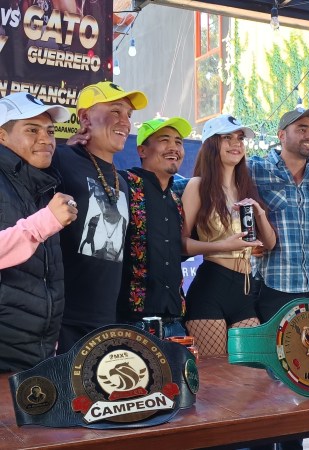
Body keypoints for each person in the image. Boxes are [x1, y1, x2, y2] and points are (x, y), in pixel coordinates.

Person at [53, 81, 148, 354]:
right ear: (85, 117)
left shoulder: (122, 182)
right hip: (64, 320)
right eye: (115, 111)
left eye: (128, 114)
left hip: (106, 319)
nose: (125, 122)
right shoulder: (60, 159)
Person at [181, 115, 276, 356]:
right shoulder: (197, 185)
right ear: (212, 144)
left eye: (240, 138)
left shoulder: (246, 187)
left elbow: (269, 243)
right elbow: (180, 244)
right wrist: (223, 246)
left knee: (250, 369)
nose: (236, 143)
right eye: (227, 137)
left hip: (245, 289)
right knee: (214, 372)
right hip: (211, 287)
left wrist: (260, 213)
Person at [0, 92, 77, 373]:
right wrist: (42, 223)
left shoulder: (44, 186)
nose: (46, 139)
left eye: (50, 131)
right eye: (32, 130)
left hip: (37, 353)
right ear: (2, 136)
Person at [248, 107, 309, 324]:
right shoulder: (256, 168)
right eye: (302, 129)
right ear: (281, 135)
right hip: (270, 286)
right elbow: (219, 192)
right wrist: (245, 243)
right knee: (271, 346)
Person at [117, 117, 193, 338]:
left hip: (174, 319)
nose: (174, 147)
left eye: (178, 142)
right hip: (132, 321)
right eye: (164, 140)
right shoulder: (123, 183)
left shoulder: (175, 199)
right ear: (142, 150)